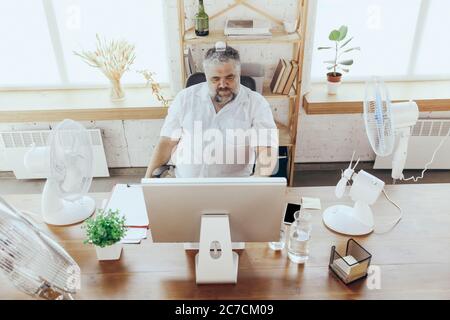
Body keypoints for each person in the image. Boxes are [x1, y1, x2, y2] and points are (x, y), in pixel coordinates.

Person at [145, 42, 278, 178]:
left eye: (229, 77)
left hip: (234, 188)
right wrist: (148, 182)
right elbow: (167, 142)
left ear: (239, 74)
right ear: (206, 77)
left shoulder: (257, 104)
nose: (223, 84)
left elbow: (266, 149)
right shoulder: (184, 98)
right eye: (215, 79)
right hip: (185, 184)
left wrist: (257, 182)